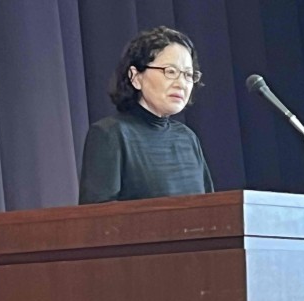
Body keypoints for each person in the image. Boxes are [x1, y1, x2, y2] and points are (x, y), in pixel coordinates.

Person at [79, 26, 214, 204]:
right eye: (170, 71)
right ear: (136, 77)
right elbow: (98, 216)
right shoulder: (110, 134)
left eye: (188, 75)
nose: (181, 84)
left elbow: (211, 208)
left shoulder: (188, 138)